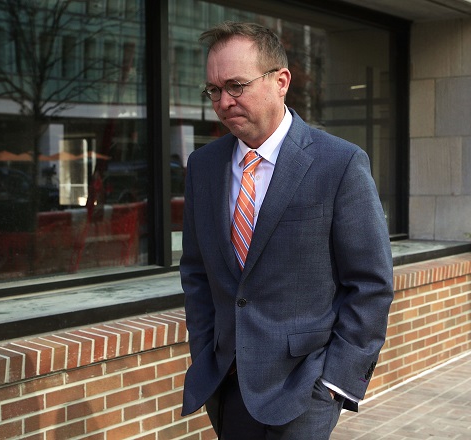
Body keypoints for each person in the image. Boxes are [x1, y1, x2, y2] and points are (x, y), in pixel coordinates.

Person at [180, 21, 394, 439]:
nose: (223, 101)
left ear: (281, 81)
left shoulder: (339, 163)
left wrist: (334, 383)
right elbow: (197, 274)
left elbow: (370, 284)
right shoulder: (203, 167)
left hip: (303, 390)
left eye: (236, 85)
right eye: (213, 90)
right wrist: (205, 353)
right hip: (225, 384)